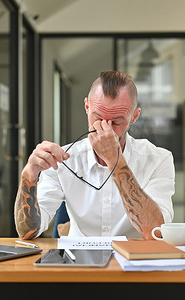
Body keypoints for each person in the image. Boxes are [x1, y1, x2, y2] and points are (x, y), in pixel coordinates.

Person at [14, 71, 175, 240]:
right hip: (79, 262)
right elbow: (27, 232)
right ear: (87, 107)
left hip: (134, 262)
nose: (104, 128)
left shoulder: (158, 159)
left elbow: (156, 233)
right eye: (97, 118)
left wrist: (115, 162)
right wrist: (29, 175)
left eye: (116, 122)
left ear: (134, 117)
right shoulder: (63, 160)